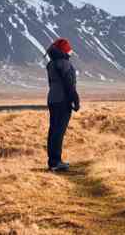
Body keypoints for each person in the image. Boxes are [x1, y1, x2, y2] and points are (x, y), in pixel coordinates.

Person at [45, 38, 80, 172]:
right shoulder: (64, 64)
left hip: (52, 99)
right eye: (68, 50)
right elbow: (69, 84)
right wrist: (75, 100)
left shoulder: (51, 64)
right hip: (62, 100)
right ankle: (56, 162)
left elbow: (52, 84)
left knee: (53, 130)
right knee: (59, 131)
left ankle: (52, 161)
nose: (70, 53)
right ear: (64, 51)